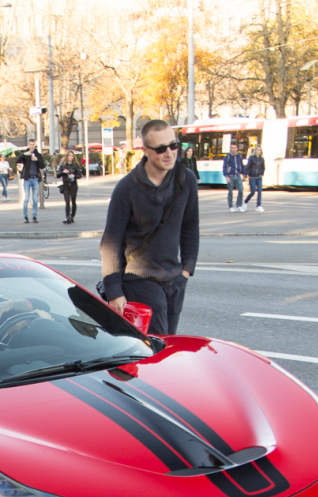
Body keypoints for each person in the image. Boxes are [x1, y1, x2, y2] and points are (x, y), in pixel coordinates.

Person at [98, 119, 199, 336]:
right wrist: (114, 290)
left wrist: (187, 269)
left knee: (168, 344)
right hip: (140, 278)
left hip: (174, 277)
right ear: (144, 150)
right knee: (156, 346)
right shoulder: (127, 188)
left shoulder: (186, 179)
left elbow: (190, 226)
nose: (169, 153)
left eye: (174, 145)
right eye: (161, 148)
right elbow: (110, 243)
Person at [16, 142, 48, 223]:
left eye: (33, 144)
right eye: (30, 144)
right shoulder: (26, 154)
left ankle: (34, 216)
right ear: (28, 145)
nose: (31, 146)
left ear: (35, 145)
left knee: (35, 199)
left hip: (35, 178)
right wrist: (24, 154)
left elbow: (42, 166)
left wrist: (36, 160)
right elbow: (17, 160)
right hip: (27, 178)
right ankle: (25, 216)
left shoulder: (38, 154)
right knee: (26, 198)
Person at [58, 150, 84, 224]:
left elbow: (80, 175)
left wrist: (74, 176)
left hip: (73, 185)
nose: (71, 157)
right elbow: (57, 174)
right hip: (66, 184)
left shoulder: (76, 165)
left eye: (72, 155)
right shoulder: (63, 165)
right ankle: (67, 216)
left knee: (73, 201)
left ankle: (72, 216)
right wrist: (63, 172)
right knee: (67, 201)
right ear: (67, 156)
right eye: (69, 155)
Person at [222, 141, 245, 212]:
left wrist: (244, 174)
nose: (233, 149)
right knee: (230, 192)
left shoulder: (239, 156)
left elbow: (242, 166)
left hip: (238, 175)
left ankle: (239, 205)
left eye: (235, 148)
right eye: (232, 148)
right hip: (230, 176)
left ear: (237, 148)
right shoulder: (227, 157)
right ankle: (230, 206)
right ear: (230, 149)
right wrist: (226, 176)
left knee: (241, 190)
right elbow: (224, 167)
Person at [243, 145, 265, 212]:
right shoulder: (251, 158)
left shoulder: (262, 159)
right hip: (252, 177)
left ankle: (258, 206)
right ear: (255, 151)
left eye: (260, 150)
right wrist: (245, 175)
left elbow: (263, 167)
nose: (259, 151)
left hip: (259, 177)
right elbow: (247, 167)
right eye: (257, 150)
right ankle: (245, 202)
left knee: (259, 192)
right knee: (252, 192)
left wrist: (262, 174)